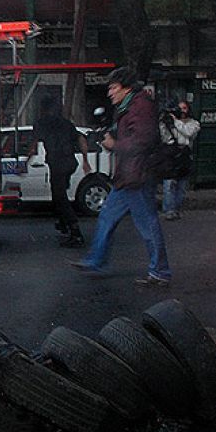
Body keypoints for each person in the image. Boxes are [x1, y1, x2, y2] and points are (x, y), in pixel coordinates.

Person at [71, 67, 171, 287]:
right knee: (107, 217)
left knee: (147, 224)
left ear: (126, 88)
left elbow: (143, 140)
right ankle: (96, 260)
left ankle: (160, 272)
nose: (109, 93)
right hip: (127, 174)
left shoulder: (140, 107)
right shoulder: (129, 107)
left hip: (138, 174)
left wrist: (114, 144)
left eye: (113, 87)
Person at [29, 96, 91, 248]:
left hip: (57, 164)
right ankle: (63, 223)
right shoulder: (66, 123)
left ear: (42, 109)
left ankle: (75, 231)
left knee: (59, 197)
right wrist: (85, 160)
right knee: (60, 193)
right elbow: (81, 139)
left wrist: (25, 161)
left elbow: (34, 145)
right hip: (70, 163)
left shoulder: (41, 123)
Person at [159, 100, 200, 220]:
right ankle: (169, 210)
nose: (182, 111)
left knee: (181, 186)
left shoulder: (193, 123)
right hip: (171, 154)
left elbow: (187, 132)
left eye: (184, 108)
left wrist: (175, 121)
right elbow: (163, 136)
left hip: (184, 155)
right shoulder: (168, 122)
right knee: (169, 184)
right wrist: (164, 122)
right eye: (179, 108)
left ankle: (176, 208)